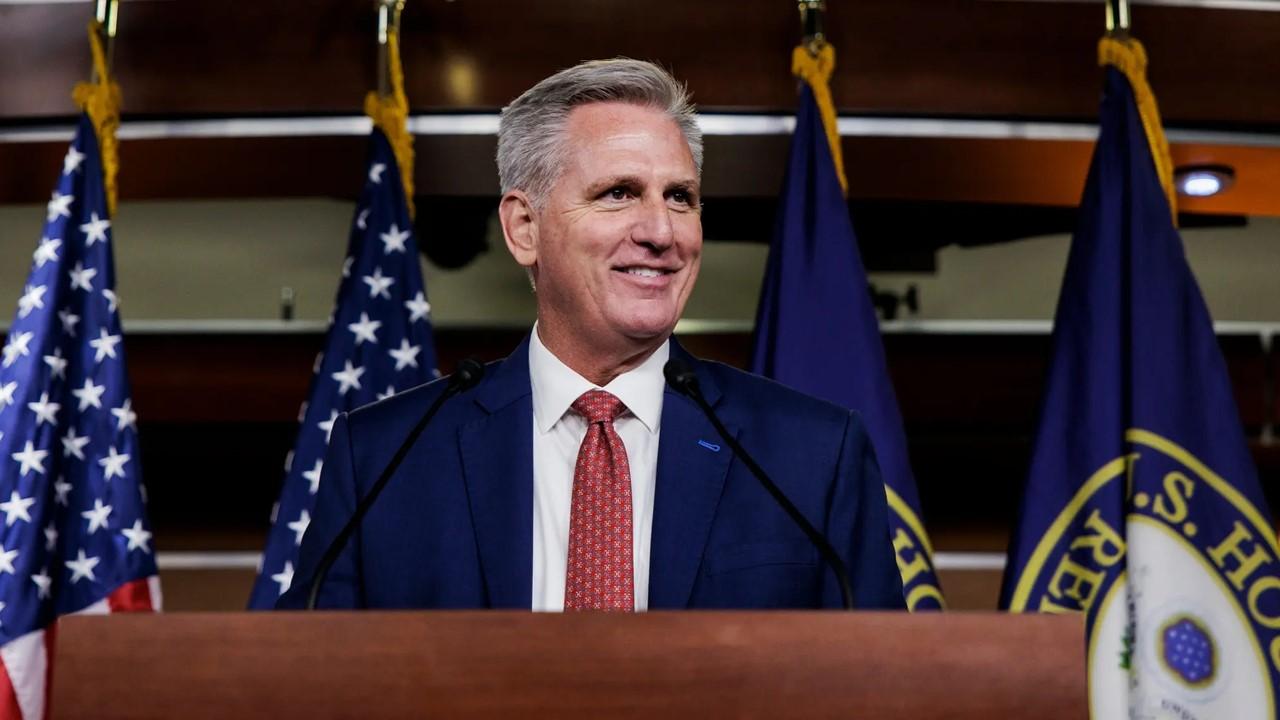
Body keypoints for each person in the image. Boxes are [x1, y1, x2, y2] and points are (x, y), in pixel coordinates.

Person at [277, 59, 904, 611]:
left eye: (681, 197)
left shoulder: (812, 455)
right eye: (619, 193)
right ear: (525, 228)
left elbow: (883, 689)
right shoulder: (384, 457)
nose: (663, 231)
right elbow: (301, 683)